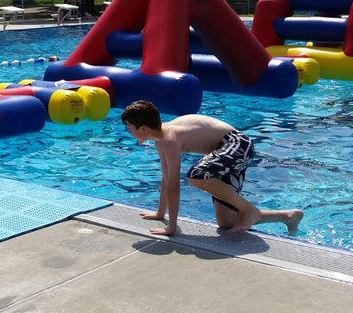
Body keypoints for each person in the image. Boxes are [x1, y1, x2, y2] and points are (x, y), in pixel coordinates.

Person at [121, 100, 303, 236]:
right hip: (224, 156)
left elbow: (174, 186)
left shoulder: (170, 139)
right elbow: (167, 178)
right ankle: (287, 216)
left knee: (196, 175)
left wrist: (172, 227)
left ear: (143, 129)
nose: (129, 132)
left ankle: (250, 210)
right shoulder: (160, 142)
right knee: (227, 222)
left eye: (129, 128)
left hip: (238, 145)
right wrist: (160, 214)